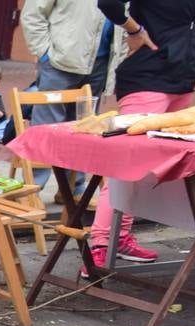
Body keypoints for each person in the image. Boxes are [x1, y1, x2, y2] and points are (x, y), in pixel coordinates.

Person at [87, 0, 195, 273]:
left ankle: (120, 237)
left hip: (182, 76)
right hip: (147, 77)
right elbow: (108, 3)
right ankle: (102, 243)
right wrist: (134, 30)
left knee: (159, 166)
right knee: (127, 165)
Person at [20, 0, 120, 189]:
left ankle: (74, 187)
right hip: (59, 61)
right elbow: (32, 13)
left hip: (101, 63)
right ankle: (33, 188)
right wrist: (44, 53)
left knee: (85, 126)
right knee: (46, 125)